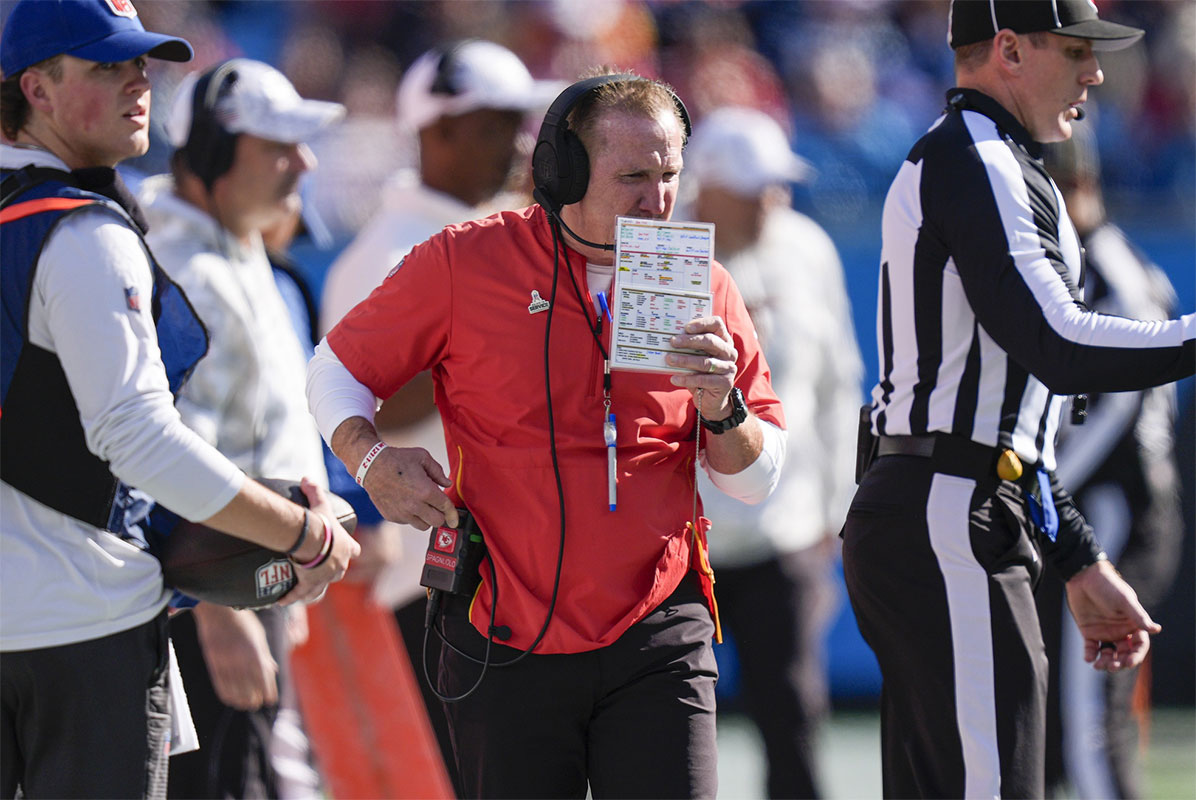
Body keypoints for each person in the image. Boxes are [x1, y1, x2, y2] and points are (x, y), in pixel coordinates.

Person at [307, 70, 787, 798]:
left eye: (669, 175)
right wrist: (368, 459)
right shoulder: (464, 261)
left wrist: (723, 406)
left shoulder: (701, 282)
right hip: (502, 630)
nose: (657, 201)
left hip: (658, 630)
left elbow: (756, 480)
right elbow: (333, 369)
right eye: (632, 175)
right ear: (561, 172)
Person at [0, 2, 357, 798]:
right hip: (85, 625)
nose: (137, 81)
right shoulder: (86, 233)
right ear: (38, 89)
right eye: (105, 65)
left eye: (141, 64)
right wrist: (299, 534)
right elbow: (141, 439)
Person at [841, 1, 1196, 797]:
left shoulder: (997, 158)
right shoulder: (981, 159)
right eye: (1075, 51)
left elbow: (1007, 411)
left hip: (956, 501)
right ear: (1008, 48)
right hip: (945, 510)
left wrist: (1075, 554)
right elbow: (1060, 346)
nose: (1095, 73)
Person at [317, 40, 558, 788]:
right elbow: (363, 400)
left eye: (519, 123)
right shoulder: (388, 251)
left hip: (505, 559)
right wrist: (483, 343)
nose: (517, 143)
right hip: (437, 576)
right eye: (493, 124)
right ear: (437, 132)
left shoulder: (503, 233)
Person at [135, 58, 346, 798]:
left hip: (257, 578)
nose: (304, 163)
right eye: (277, 146)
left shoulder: (242, 248)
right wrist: (218, 609)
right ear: (215, 153)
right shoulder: (176, 267)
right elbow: (159, 451)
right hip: (209, 592)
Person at [685, 106, 862, 800]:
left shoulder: (804, 247)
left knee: (792, 712)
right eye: (757, 186)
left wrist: (836, 512)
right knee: (667, 724)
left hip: (780, 531)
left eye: (777, 185)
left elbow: (835, 386)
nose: (773, 200)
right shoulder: (659, 252)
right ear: (710, 187)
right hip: (678, 533)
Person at [1036, 125, 1185, 800]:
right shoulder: (1084, 263)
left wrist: (1044, 490)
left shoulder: (1112, 268)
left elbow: (1127, 407)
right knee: (1060, 720)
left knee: (1090, 720)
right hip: (1094, 507)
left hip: (1114, 509)